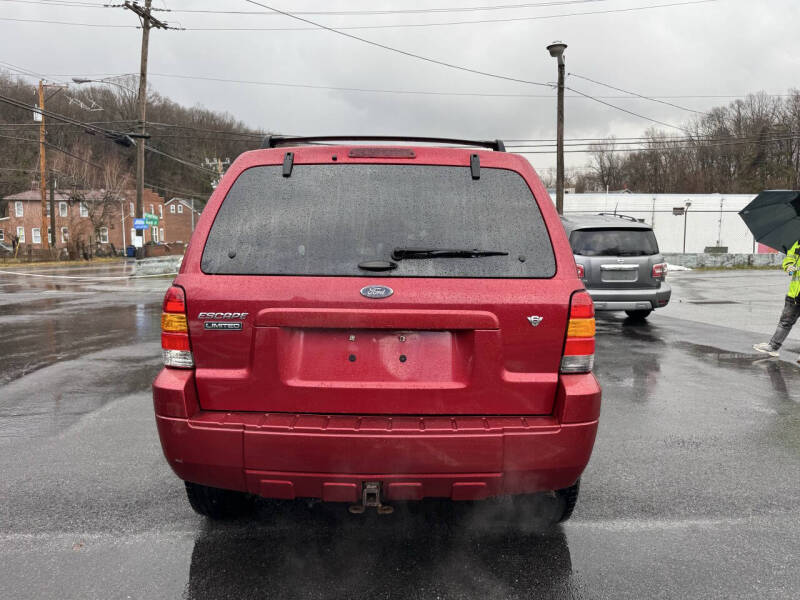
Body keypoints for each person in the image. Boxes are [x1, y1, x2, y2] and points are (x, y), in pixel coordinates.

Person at [754, 240, 800, 358]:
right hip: (795, 294)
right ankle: (773, 347)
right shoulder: (798, 243)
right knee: (785, 322)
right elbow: (790, 257)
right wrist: (789, 266)